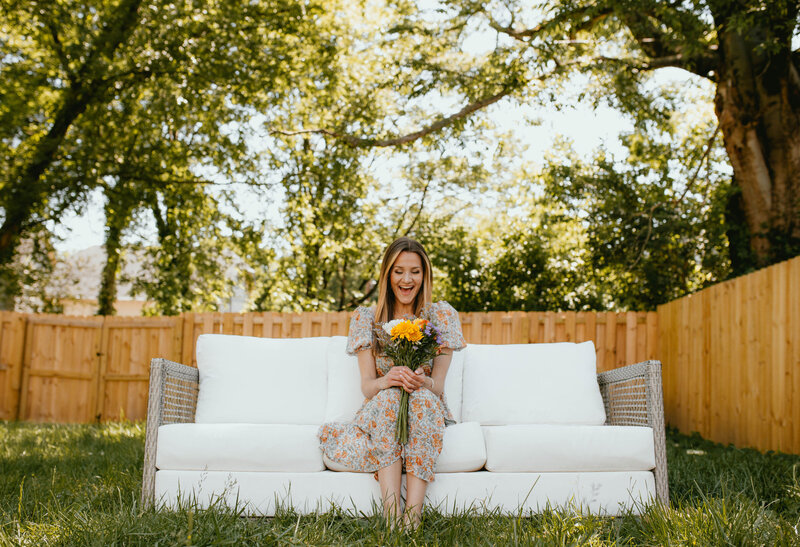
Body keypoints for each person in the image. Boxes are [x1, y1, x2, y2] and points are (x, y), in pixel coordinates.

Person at [318, 237, 466, 529]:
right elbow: (367, 387)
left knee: (422, 399)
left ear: (425, 275)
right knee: (388, 397)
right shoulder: (367, 319)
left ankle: (412, 518)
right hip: (382, 408)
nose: (407, 279)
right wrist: (387, 379)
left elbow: (438, 386)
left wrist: (423, 380)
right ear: (387, 274)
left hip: (424, 408)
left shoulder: (440, 316)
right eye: (398, 271)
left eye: (415, 271)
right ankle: (391, 518)